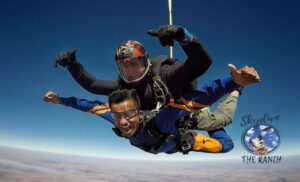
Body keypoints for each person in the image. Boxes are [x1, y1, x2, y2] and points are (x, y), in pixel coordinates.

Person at [44, 66, 259, 154]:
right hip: (180, 121)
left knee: (224, 130)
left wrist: (232, 84)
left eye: (129, 115)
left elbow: (193, 100)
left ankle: (236, 93)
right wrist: (60, 100)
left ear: (139, 113)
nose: (123, 122)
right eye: (118, 116)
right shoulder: (115, 117)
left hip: (191, 119)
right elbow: (87, 105)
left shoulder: (159, 122)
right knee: (198, 106)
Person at [53, 25, 214, 111]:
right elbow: (93, 85)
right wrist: (72, 65)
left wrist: (182, 36)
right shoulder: (123, 86)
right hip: (157, 130)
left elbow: (200, 63)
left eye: (134, 63)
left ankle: (235, 91)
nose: (129, 70)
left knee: (215, 121)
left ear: (145, 62)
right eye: (124, 66)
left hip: (183, 117)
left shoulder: (164, 76)